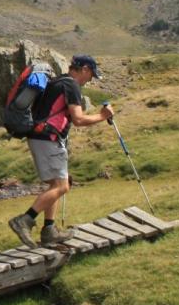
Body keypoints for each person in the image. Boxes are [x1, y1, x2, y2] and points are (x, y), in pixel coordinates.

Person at [9, 55, 114, 247]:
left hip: (39, 137)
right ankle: (24, 220)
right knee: (61, 187)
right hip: (49, 139)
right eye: (91, 75)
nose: (89, 80)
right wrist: (102, 115)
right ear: (84, 69)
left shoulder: (55, 82)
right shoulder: (71, 85)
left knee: (56, 185)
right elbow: (79, 119)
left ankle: (49, 230)